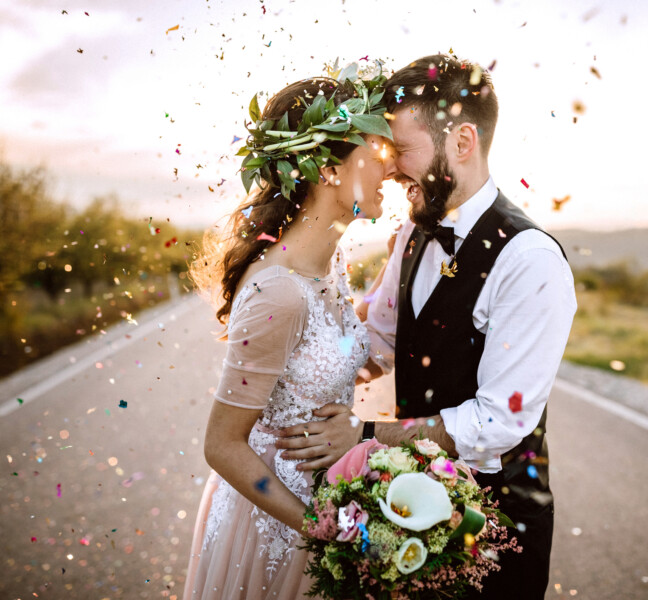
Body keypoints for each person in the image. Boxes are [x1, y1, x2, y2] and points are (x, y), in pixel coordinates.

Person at [275, 54, 577, 599]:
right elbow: (381, 342)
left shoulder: (530, 261)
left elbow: (498, 422)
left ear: (462, 142)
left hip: (494, 531)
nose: (388, 169)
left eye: (403, 150)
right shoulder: (415, 232)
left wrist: (364, 435)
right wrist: (295, 357)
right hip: (407, 510)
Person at [183, 71, 397, 599]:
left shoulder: (329, 262)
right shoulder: (278, 293)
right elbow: (221, 445)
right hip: (279, 527)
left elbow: (342, 357)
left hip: (331, 502)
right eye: (376, 150)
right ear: (326, 168)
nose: (390, 169)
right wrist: (322, 531)